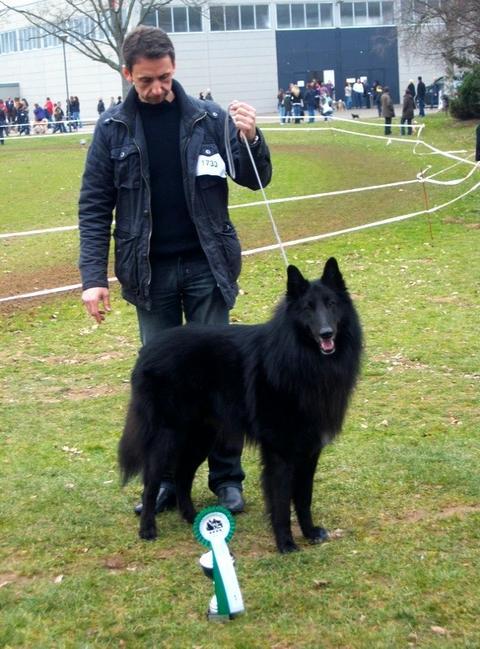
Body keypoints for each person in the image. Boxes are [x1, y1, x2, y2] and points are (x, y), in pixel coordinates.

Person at [78, 25, 272, 517]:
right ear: (128, 74)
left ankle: (227, 479)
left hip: (209, 268)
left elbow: (254, 178)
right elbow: (95, 205)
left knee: (222, 381)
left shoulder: (209, 118)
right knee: (164, 385)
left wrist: (252, 136)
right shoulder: (111, 129)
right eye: (146, 81)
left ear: (174, 66)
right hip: (149, 276)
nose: (157, 88)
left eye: (163, 77)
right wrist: (92, 278)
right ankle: (163, 481)